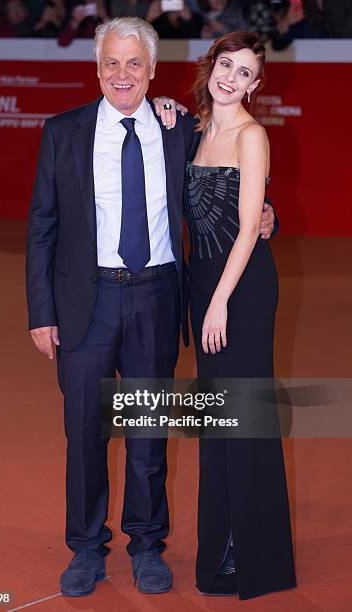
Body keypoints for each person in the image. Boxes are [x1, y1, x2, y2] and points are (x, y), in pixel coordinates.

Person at [26, 17, 275, 598]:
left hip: (157, 299)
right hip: (84, 303)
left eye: (134, 63)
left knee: (146, 432)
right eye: (111, 62)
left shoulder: (179, 128)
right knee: (85, 433)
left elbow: (228, 187)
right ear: (96, 67)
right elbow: (42, 226)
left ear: (153, 70)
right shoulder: (63, 132)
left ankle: (146, 544)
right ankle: (86, 549)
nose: (122, 74)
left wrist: (269, 219)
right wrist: (42, 311)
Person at [155, 31, 297, 599]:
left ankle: (256, 558)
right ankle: (222, 551)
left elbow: (246, 227)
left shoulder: (251, 135)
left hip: (241, 292)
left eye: (244, 72)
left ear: (256, 85)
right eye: (225, 64)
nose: (230, 78)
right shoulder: (192, 131)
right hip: (205, 290)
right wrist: (162, 106)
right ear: (210, 66)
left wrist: (219, 302)